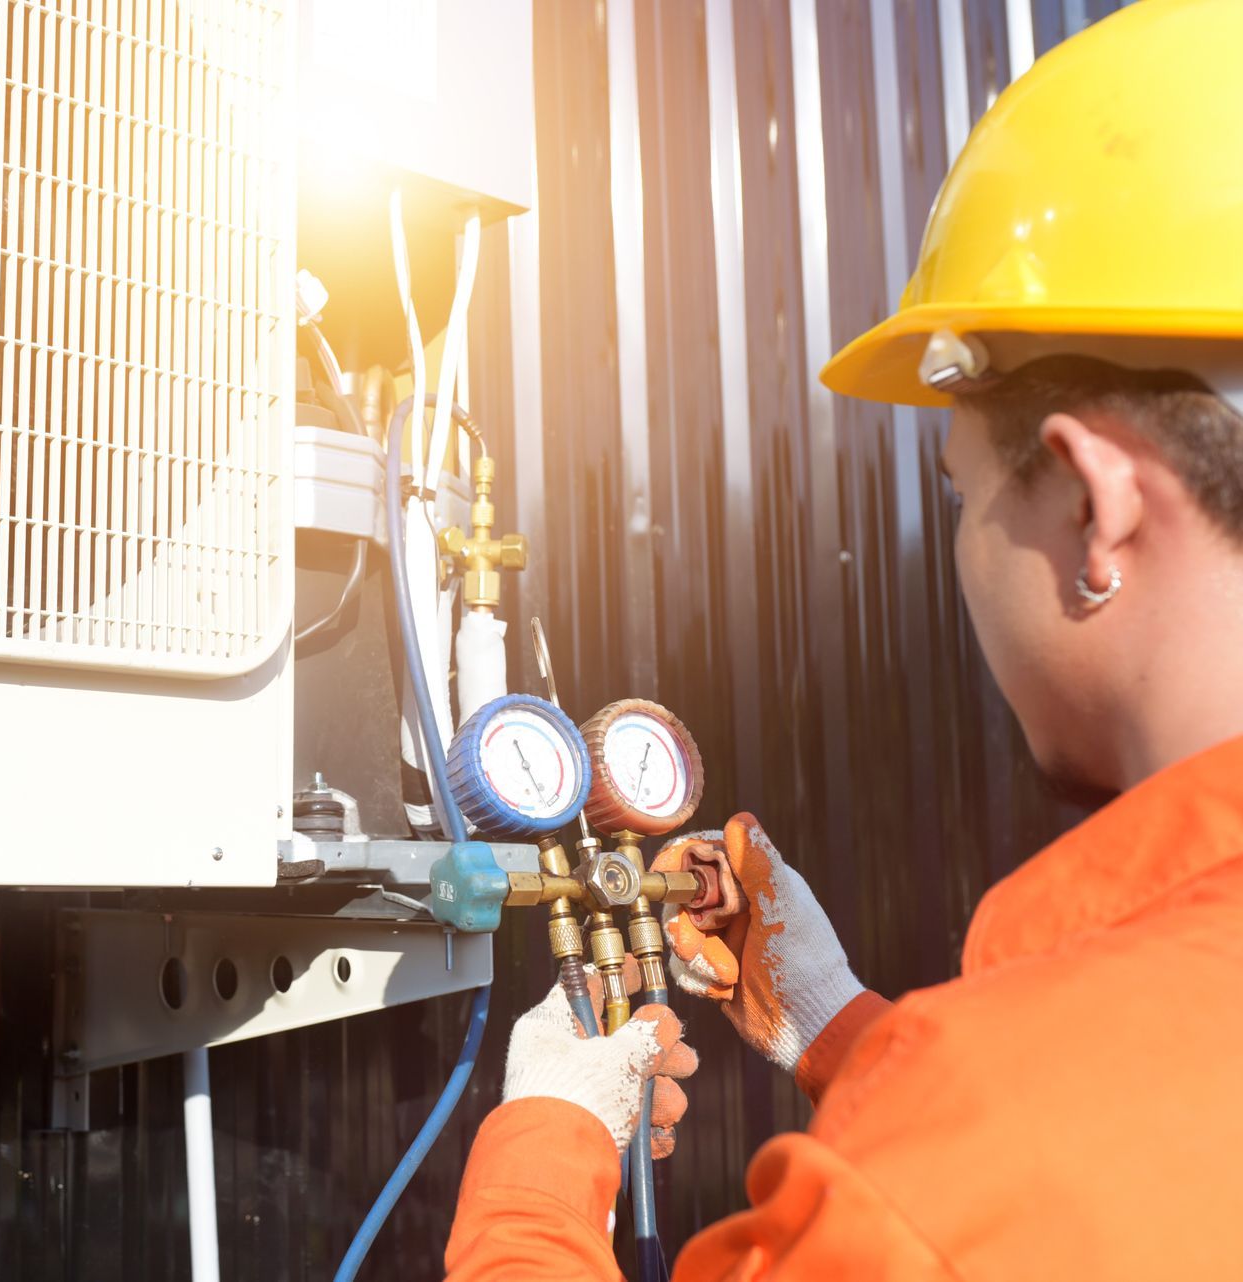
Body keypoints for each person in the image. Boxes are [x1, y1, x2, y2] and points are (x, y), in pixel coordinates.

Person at [444, 1, 1243, 1277]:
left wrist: (542, 1150)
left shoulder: (996, 1133)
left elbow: (1014, 1170)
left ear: (1095, 506)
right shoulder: (1051, 1106)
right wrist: (837, 1022)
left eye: (963, 491)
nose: (966, 548)